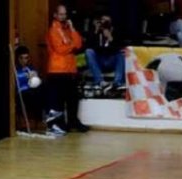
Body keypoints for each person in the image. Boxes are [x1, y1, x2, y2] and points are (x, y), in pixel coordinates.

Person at [45, 4, 89, 133]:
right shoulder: (53, 30)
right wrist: (72, 46)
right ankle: (60, 124)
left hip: (70, 69)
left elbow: (79, 43)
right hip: (57, 70)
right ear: (55, 15)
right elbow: (60, 49)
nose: (63, 16)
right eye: (61, 14)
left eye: (65, 14)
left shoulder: (68, 28)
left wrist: (73, 29)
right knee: (59, 99)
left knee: (73, 98)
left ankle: (73, 121)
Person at [14, 45, 64, 136]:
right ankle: (50, 116)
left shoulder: (30, 69)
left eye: (26, 58)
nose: (24, 61)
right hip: (22, 95)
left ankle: (52, 118)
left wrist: (35, 76)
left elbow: (36, 82)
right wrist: (24, 77)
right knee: (39, 95)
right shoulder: (14, 70)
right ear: (17, 58)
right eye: (21, 58)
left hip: (33, 92)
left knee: (47, 87)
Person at [85, 14, 126, 94]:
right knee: (89, 51)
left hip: (112, 60)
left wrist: (110, 38)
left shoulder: (116, 31)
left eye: (107, 21)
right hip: (100, 60)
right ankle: (100, 81)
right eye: (103, 20)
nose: (105, 23)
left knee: (121, 53)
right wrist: (96, 32)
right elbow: (88, 46)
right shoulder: (96, 32)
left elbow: (120, 47)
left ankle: (117, 83)